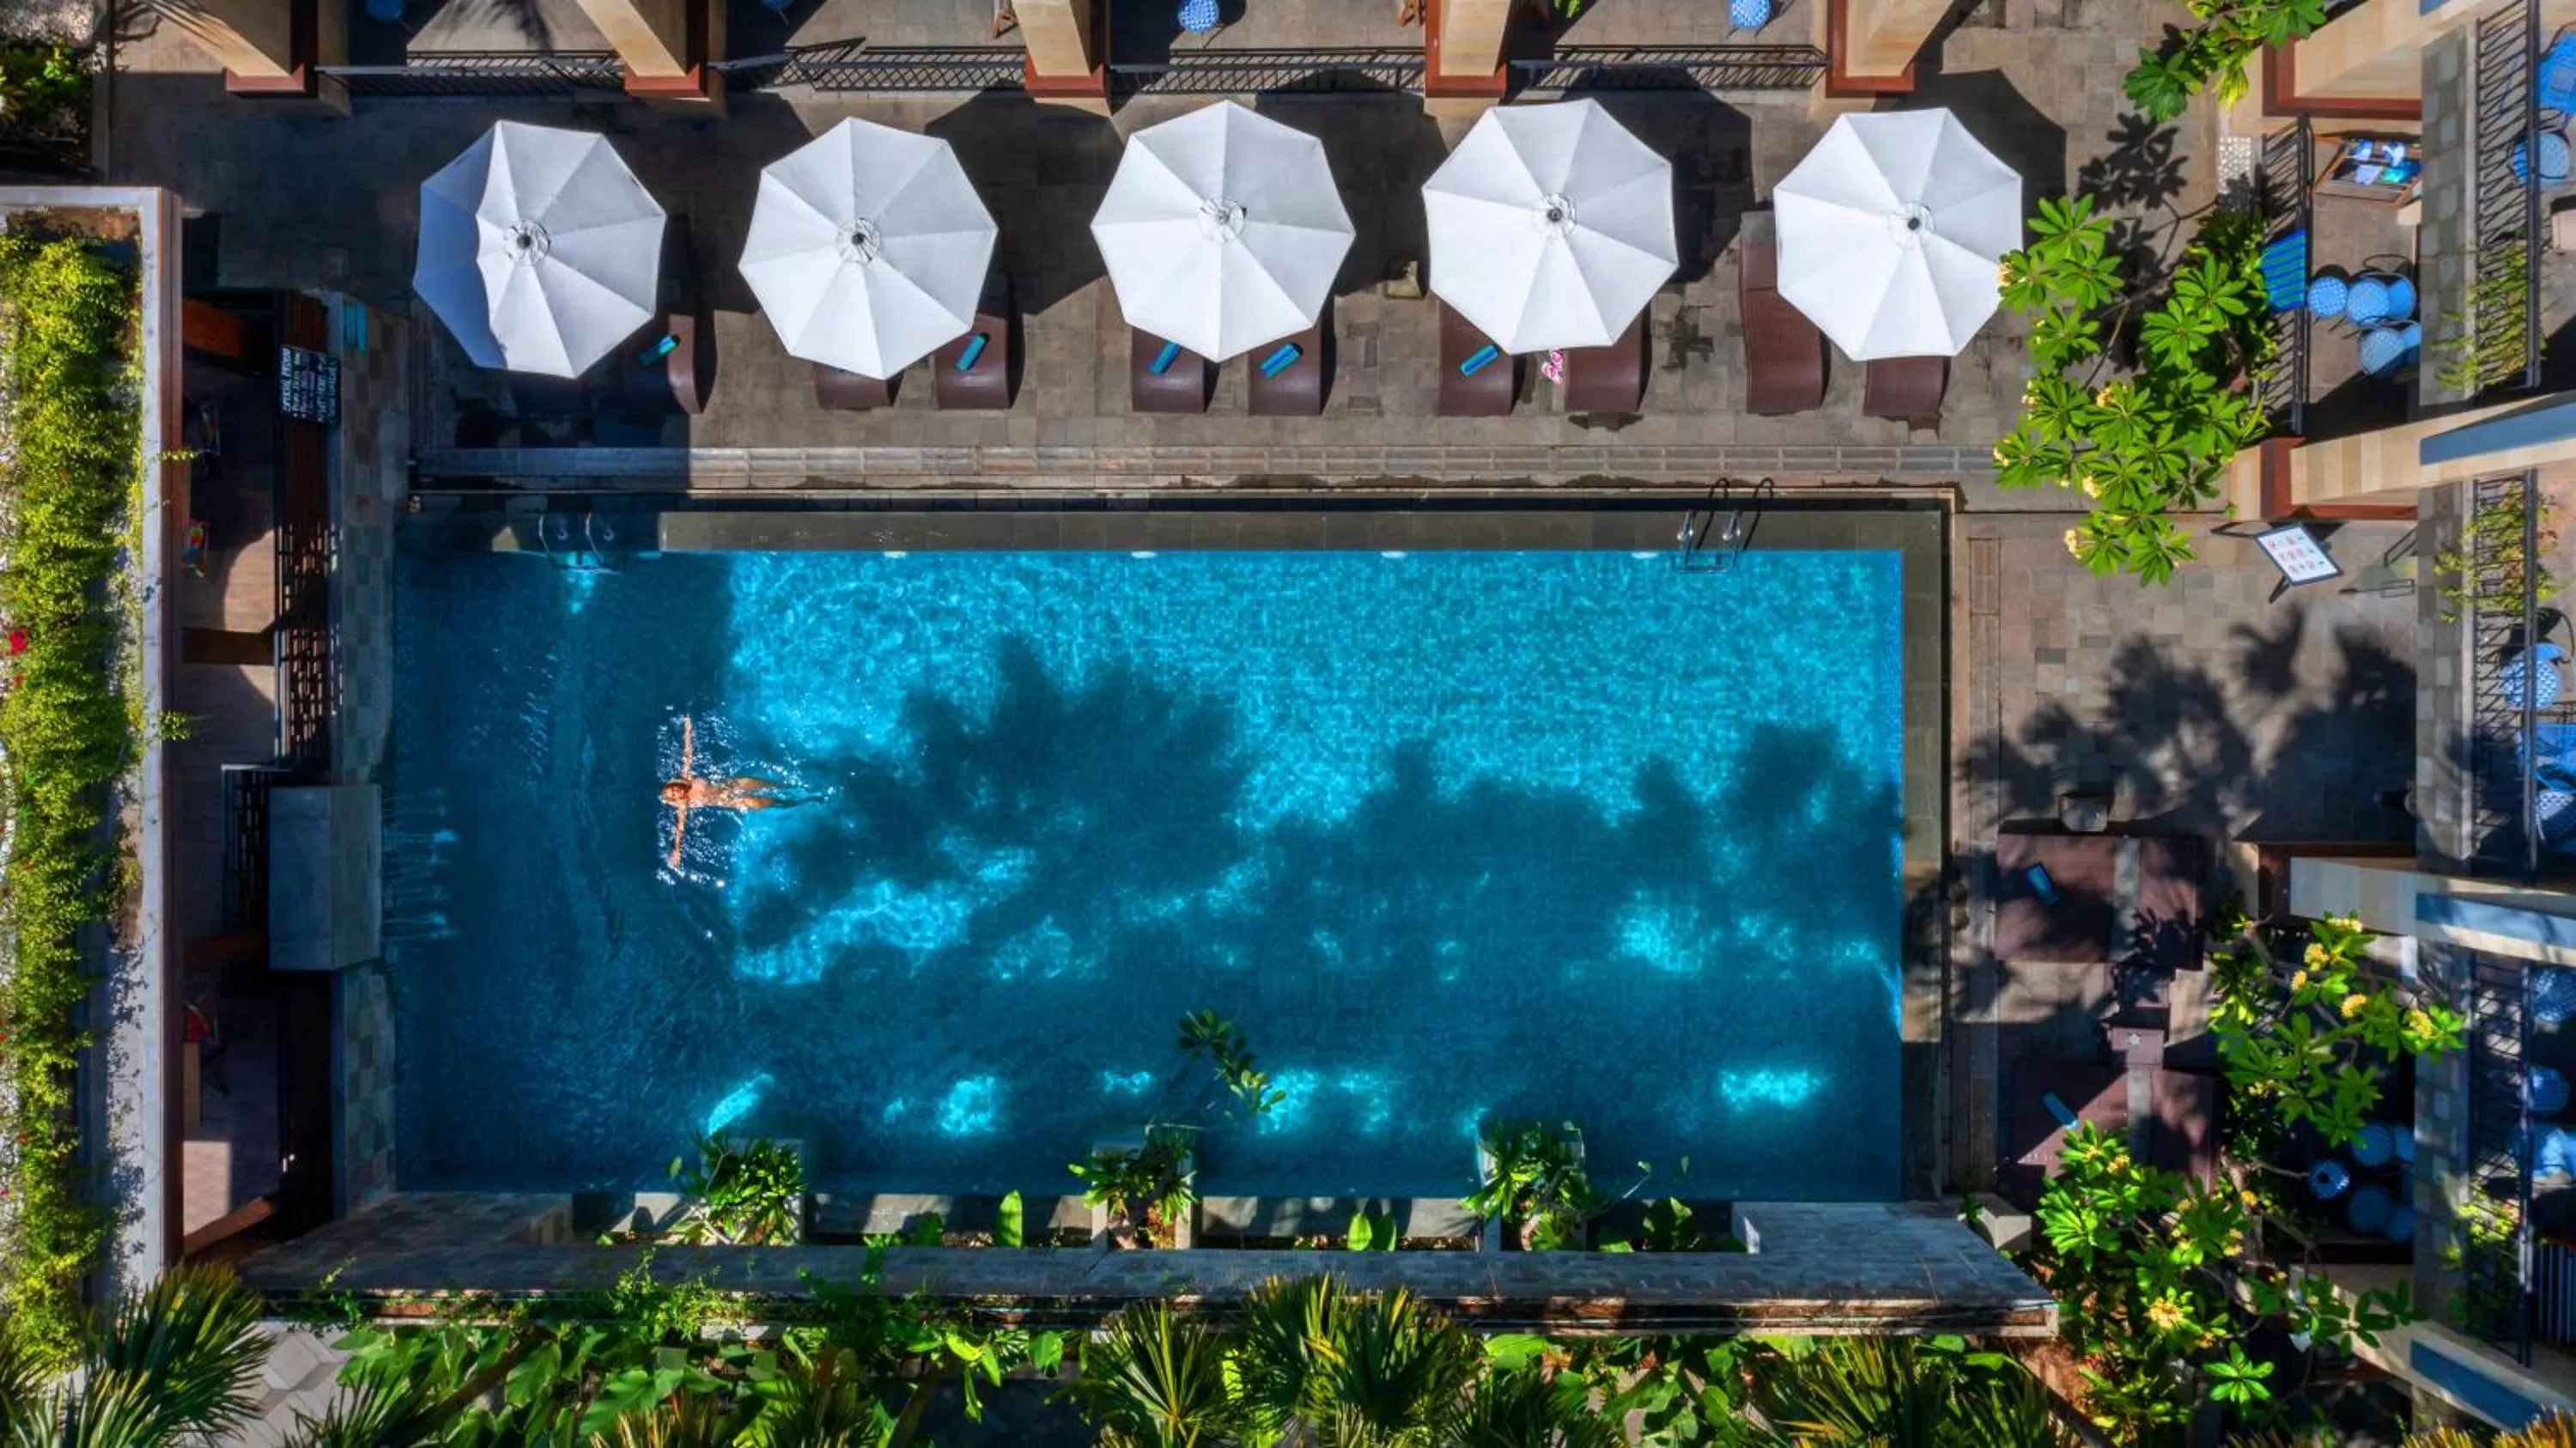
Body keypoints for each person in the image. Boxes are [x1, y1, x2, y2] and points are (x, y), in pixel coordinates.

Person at [661, 716, 798, 867]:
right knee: (758, 803)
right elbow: (680, 828)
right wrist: (676, 851)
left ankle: (794, 786)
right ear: (675, 799)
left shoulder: (687, 777)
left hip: (733, 784)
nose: (674, 791)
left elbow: (687, 754)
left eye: (671, 788)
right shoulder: (685, 804)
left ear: (674, 784)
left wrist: (687, 728)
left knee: (769, 785)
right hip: (729, 801)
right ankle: (791, 802)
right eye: (672, 795)